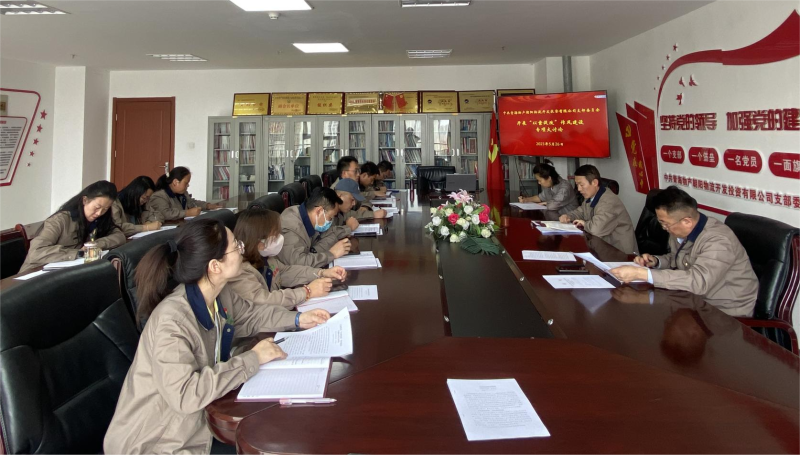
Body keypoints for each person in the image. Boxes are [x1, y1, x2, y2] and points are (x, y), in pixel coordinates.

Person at [104, 219, 329, 454]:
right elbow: (185, 395)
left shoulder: (220, 294)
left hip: (199, 424)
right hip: (159, 442)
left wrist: (298, 319)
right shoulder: (172, 321)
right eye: (236, 246)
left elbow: (251, 316)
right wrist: (253, 358)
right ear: (215, 266)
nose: (242, 249)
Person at [609, 186, 758, 317]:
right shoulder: (682, 229)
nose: (664, 228)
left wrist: (641, 274)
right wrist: (656, 261)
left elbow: (698, 281)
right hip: (693, 300)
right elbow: (678, 259)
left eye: (665, 224)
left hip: (725, 312)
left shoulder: (718, 240)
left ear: (687, 221)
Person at [228, 208, 348, 308]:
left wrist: (322, 273)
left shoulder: (266, 258)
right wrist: (307, 292)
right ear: (258, 241)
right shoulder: (241, 272)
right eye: (275, 235)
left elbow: (286, 271)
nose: (280, 238)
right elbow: (265, 300)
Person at [20, 180, 126, 272]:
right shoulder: (60, 220)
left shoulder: (100, 219)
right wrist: (78, 253)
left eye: (105, 209)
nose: (99, 213)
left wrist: (96, 244)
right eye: (97, 207)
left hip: (67, 272)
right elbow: (36, 253)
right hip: (34, 274)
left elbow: (119, 236)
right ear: (85, 200)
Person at [559, 165, 637, 254]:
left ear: (595, 182)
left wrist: (584, 224)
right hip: (601, 246)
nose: (579, 189)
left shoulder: (609, 202)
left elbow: (596, 229)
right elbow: (581, 211)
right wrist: (568, 216)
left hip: (619, 253)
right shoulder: (591, 196)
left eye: (581, 185)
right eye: (577, 185)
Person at [277, 187, 352, 267]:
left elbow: (329, 233)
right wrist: (332, 254)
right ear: (319, 211)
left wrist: (347, 230)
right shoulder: (291, 227)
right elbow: (299, 263)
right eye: (331, 217)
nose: (331, 221)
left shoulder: (308, 215)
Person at [143, 166, 220, 222]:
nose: (188, 185)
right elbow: (165, 214)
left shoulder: (183, 193)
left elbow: (192, 202)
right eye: (186, 183)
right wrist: (187, 213)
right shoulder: (159, 196)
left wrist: (207, 205)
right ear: (175, 182)